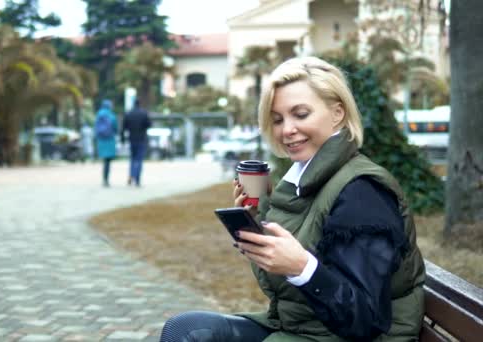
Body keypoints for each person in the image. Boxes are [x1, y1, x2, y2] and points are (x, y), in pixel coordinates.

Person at [160, 57, 426, 341]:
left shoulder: (361, 192)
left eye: (300, 114)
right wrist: (257, 228)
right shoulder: (305, 183)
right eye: (277, 119)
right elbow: (285, 293)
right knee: (186, 329)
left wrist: (302, 268)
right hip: (303, 329)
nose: (286, 130)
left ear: (337, 113)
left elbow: (364, 319)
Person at [121, 99, 151, 186]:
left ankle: (131, 175)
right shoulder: (144, 113)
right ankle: (137, 178)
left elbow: (123, 127)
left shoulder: (129, 113)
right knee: (139, 160)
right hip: (141, 139)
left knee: (133, 159)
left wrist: (122, 138)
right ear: (139, 104)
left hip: (132, 139)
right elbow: (149, 124)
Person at [94, 99, 118, 187]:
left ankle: (104, 178)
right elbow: (115, 128)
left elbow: (96, 127)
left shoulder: (99, 114)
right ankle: (106, 179)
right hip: (109, 140)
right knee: (108, 161)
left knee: (104, 160)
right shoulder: (111, 115)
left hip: (101, 140)